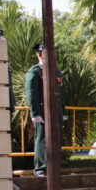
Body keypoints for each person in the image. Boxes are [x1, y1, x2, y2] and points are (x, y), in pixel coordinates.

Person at [25, 43, 66, 175]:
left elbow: (61, 93)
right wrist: (35, 113)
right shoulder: (35, 71)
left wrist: (62, 110)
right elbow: (32, 93)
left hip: (56, 110)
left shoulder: (56, 71)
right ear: (39, 55)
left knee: (56, 138)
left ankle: (54, 167)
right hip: (42, 111)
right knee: (42, 139)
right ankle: (40, 168)